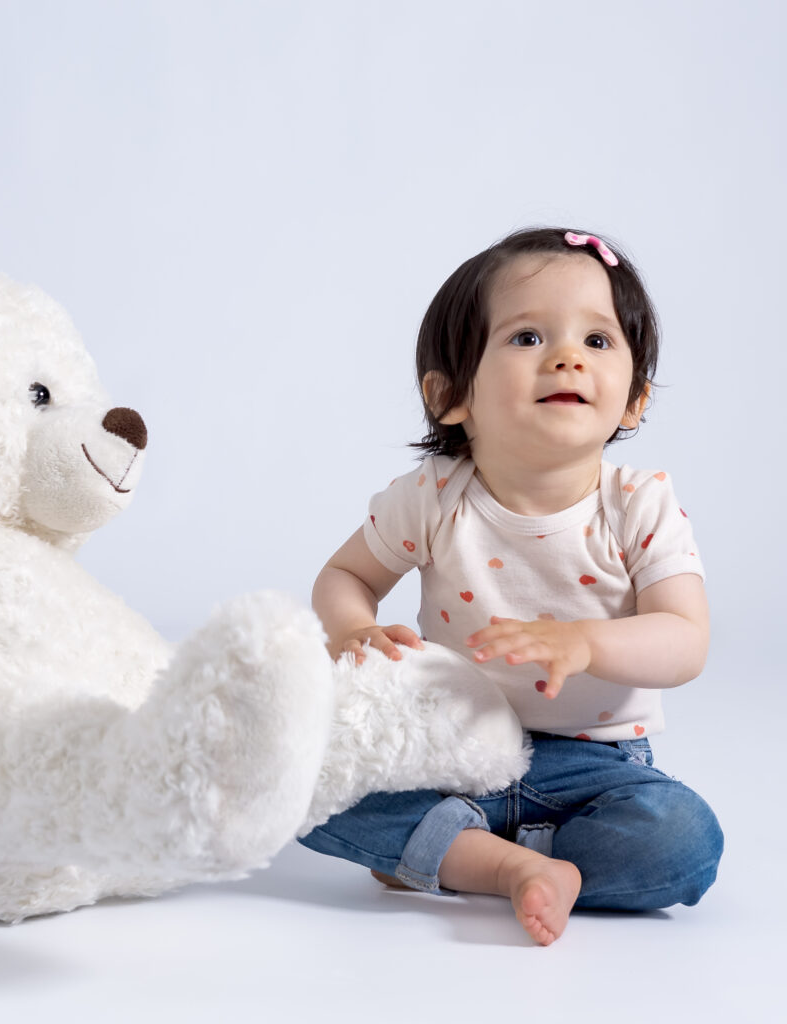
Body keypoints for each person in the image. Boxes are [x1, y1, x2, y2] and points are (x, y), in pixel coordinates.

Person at [299, 227, 723, 946]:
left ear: (634, 401)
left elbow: (685, 641)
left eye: (597, 341)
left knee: (683, 839)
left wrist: (584, 643)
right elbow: (345, 575)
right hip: (452, 746)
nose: (566, 356)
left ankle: (463, 858)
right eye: (527, 337)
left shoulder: (639, 504)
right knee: (309, 788)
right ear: (451, 395)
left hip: (599, 763)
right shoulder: (435, 495)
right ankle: (506, 865)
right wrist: (352, 630)